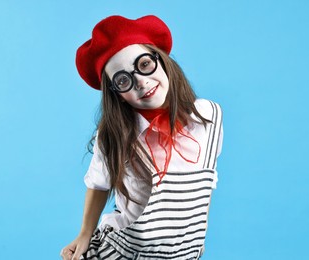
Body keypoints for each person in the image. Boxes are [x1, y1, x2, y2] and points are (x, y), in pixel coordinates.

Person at [61, 15, 224, 260]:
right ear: (116, 94)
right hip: (126, 253)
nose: (141, 82)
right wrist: (85, 234)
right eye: (124, 80)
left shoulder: (209, 117)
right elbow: (98, 184)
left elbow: (203, 187)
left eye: (145, 64)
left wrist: (195, 240)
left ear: (162, 60)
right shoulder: (114, 135)